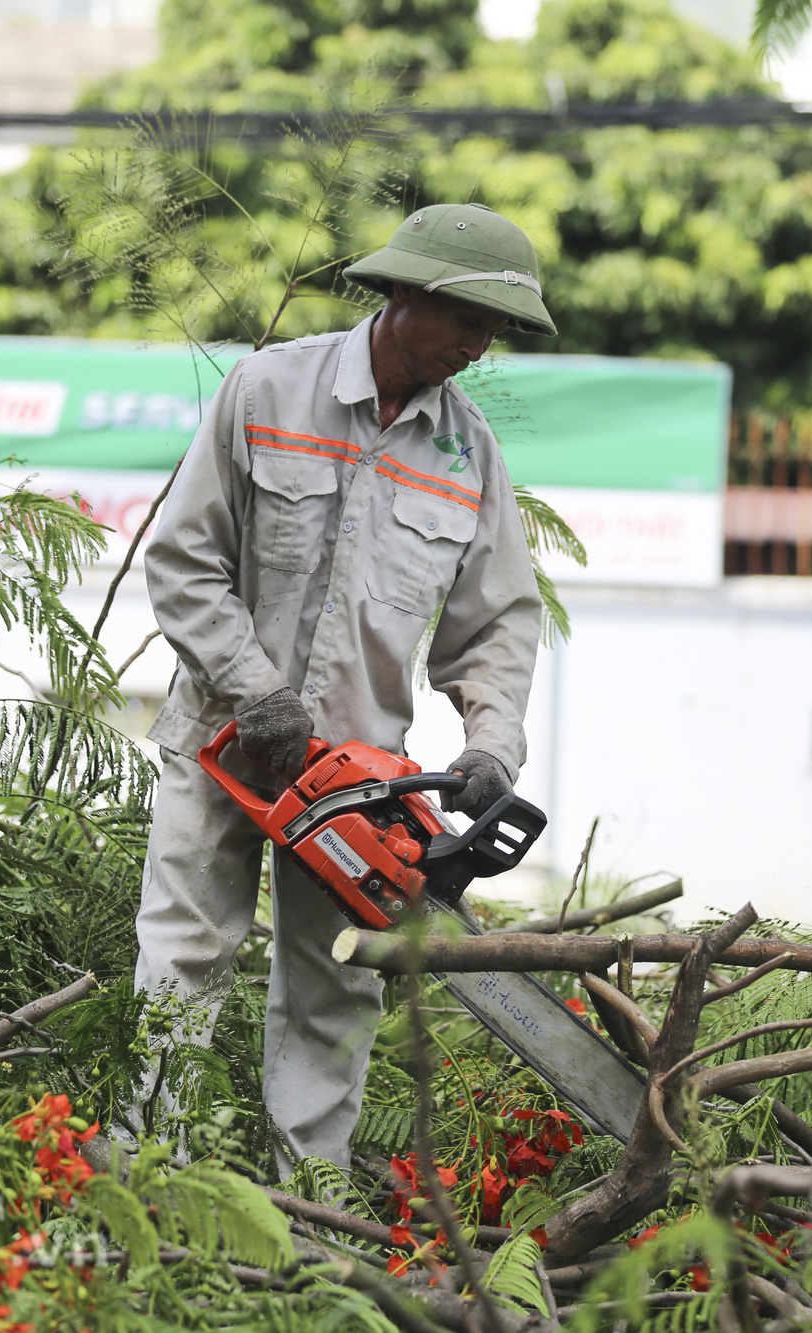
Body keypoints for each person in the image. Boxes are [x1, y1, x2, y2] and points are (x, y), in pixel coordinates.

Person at [132, 203, 552, 1171]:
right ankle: (146, 1186)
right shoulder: (267, 388)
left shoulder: (465, 450)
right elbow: (183, 561)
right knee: (180, 962)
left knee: (336, 988)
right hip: (220, 745)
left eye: (495, 330)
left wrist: (490, 742)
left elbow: (495, 621)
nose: (477, 346)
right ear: (405, 293)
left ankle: (308, 1223)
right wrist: (252, 691)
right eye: (467, 320)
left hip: (358, 780)